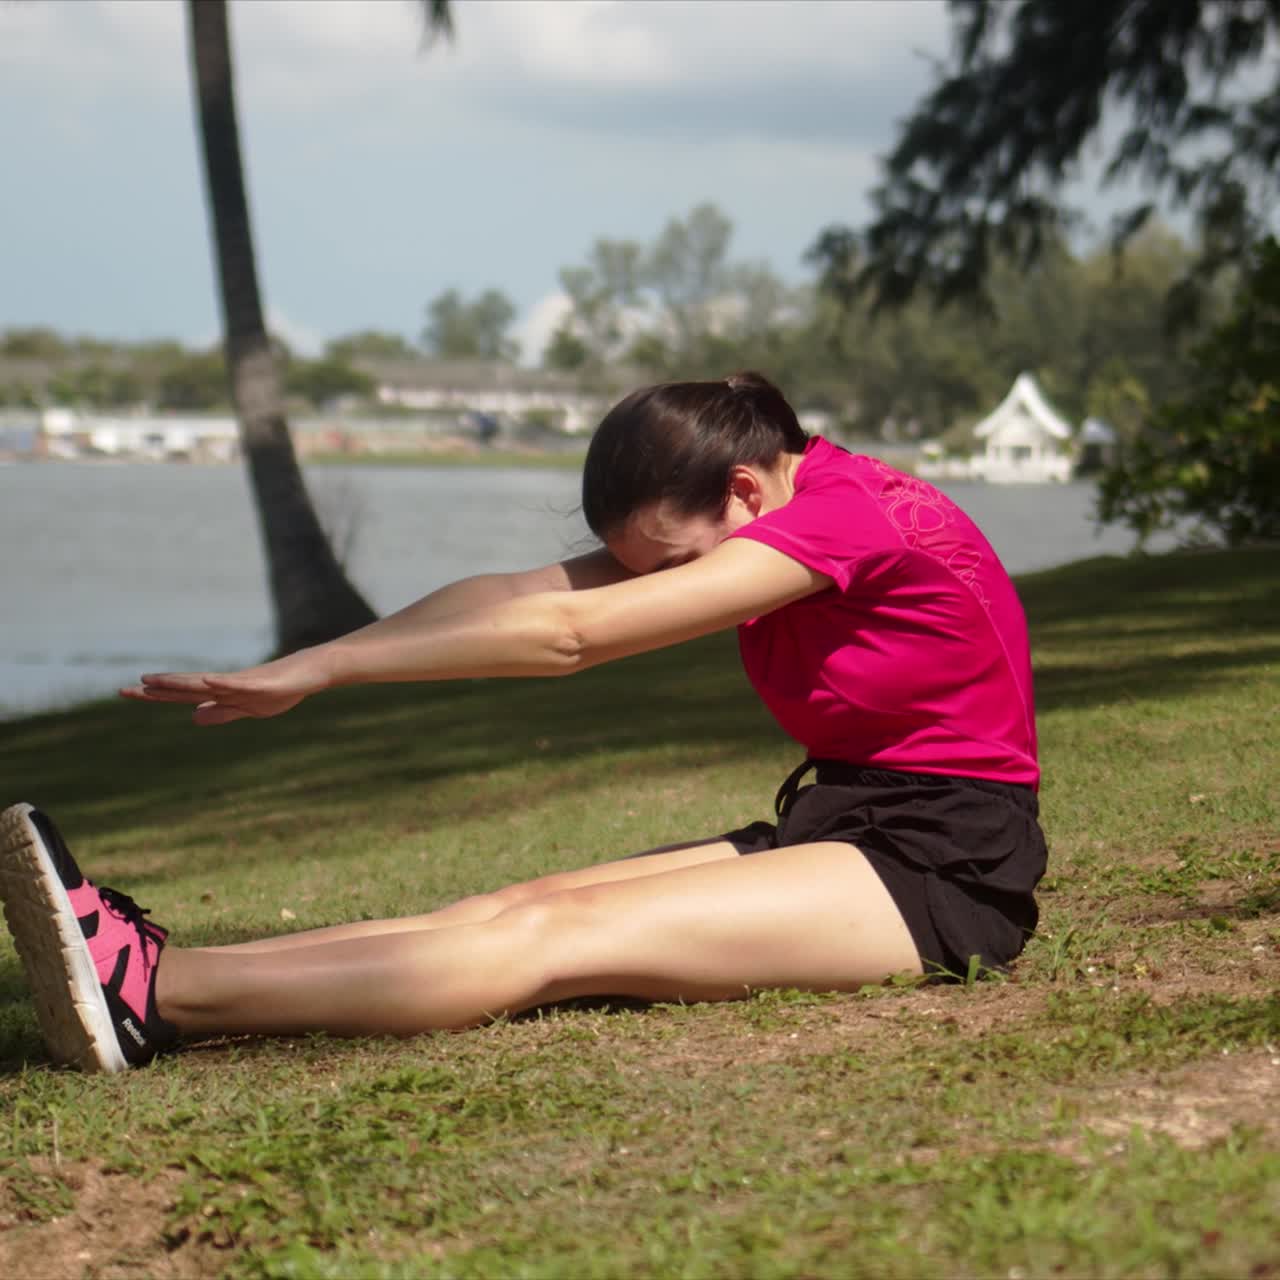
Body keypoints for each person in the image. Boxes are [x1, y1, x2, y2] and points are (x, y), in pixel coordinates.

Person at [0, 372, 1047, 1074]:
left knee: (558, 940)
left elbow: (565, 637)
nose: (676, 585)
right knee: (520, 897)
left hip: (942, 868)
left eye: (674, 565)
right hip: (847, 824)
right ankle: (149, 956)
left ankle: (157, 995)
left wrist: (335, 666)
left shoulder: (846, 516)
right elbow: (513, 592)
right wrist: (297, 665)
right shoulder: (770, 504)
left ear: (741, 489)